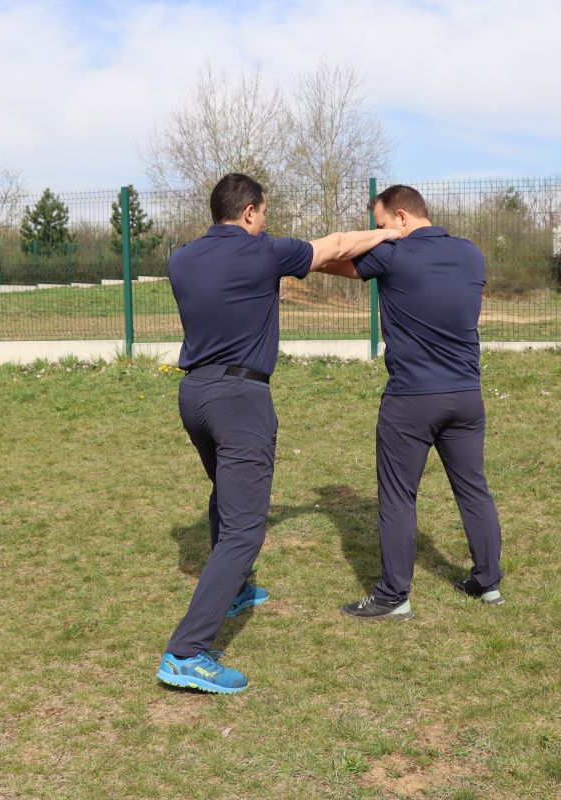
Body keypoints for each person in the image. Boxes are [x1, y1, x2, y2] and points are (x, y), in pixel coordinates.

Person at [156, 173, 401, 693]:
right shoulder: (263, 251)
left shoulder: (181, 259)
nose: (265, 221)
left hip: (194, 394)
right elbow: (337, 246)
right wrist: (388, 233)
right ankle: (186, 652)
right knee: (245, 529)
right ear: (248, 212)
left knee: (226, 492)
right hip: (240, 400)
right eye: (263, 213)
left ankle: (235, 590)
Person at [317, 184, 504, 620]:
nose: (379, 231)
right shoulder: (472, 254)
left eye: (381, 223)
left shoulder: (393, 253)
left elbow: (332, 259)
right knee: (473, 489)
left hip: (411, 400)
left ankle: (393, 596)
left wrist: (376, 239)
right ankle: (488, 583)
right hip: (466, 395)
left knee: (398, 496)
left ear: (401, 217)